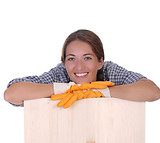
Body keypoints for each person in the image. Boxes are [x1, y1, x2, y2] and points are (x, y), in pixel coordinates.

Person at [4, 29, 160, 106]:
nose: (79, 66)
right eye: (71, 58)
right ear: (64, 63)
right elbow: (12, 95)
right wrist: (68, 90)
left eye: (87, 58)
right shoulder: (60, 74)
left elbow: (152, 91)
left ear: (100, 62)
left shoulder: (108, 71)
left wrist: (97, 92)